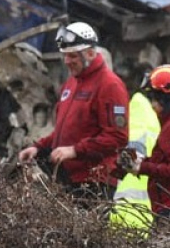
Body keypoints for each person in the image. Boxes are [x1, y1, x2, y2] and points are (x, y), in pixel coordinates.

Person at [18, 22, 129, 200]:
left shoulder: (110, 85)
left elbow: (117, 138)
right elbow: (65, 131)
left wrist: (75, 151)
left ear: (90, 54)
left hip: (95, 182)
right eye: (65, 56)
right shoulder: (71, 83)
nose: (67, 61)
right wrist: (38, 147)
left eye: (72, 56)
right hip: (68, 178)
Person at [118, 65, 170, 219]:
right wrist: (141, 164)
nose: (152, 105)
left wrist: (142, 166)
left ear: (165, 99)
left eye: (154, 99)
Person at [110, 76, 161, 235]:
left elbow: (132, 151)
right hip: (141, 210)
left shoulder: (138, 108)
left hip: (128, 210)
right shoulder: (147, 111)